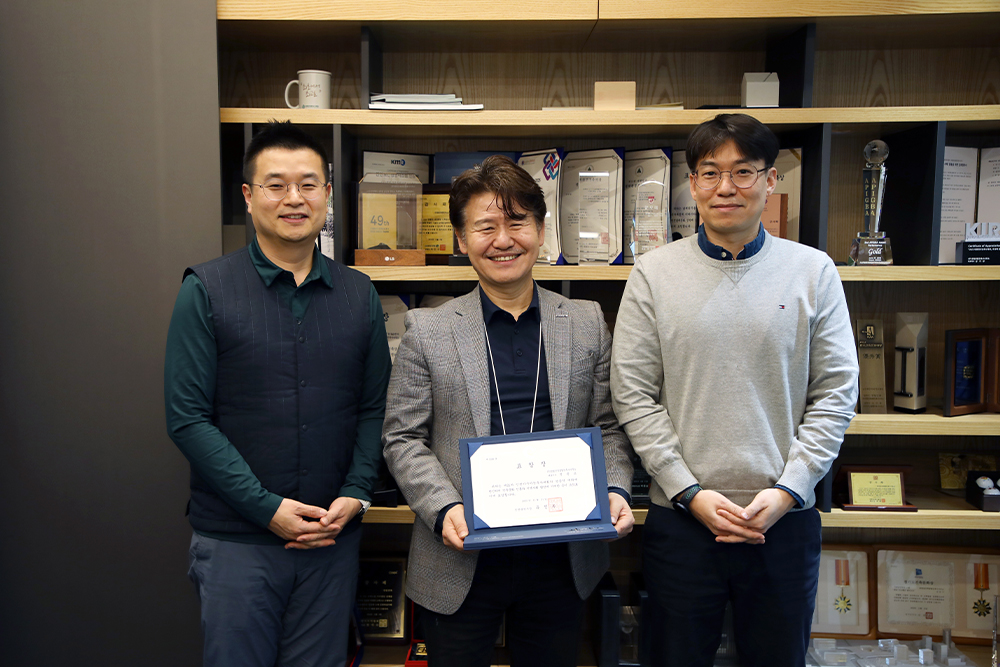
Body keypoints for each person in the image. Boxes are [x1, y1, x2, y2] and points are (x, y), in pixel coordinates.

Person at [610, 113, 859, 667]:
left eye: (743, 172)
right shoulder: (653, 273)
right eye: (710, 172)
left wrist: (790, 489)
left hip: (784, 520)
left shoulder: (813, 271)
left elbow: (836, 392)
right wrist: (688, 491)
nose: (726, 187)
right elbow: (633, 394)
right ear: (692, 183)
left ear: (770, 180)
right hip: (683, 520)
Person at [382, 155, 634, 667]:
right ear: (461, 240)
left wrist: (615, 489)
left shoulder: (586, 322)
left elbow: (609, 426)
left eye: (517, 222)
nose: (503, 240)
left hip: (562, 555)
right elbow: (402, 438)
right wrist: (444, 509)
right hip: (459, 553)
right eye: (485, 227)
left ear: (540, 231)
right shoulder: (427, 330)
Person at [165, 120, 391, 667]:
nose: (294, 198)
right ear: (248, 196)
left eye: (308, 184)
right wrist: (267, 510)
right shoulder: (206, 289)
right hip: (237, 544)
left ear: (327, 195)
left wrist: (358, 492)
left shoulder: (358, 293)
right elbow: (188, 418)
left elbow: (373, 408)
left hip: (332, 539)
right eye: (276, 185)